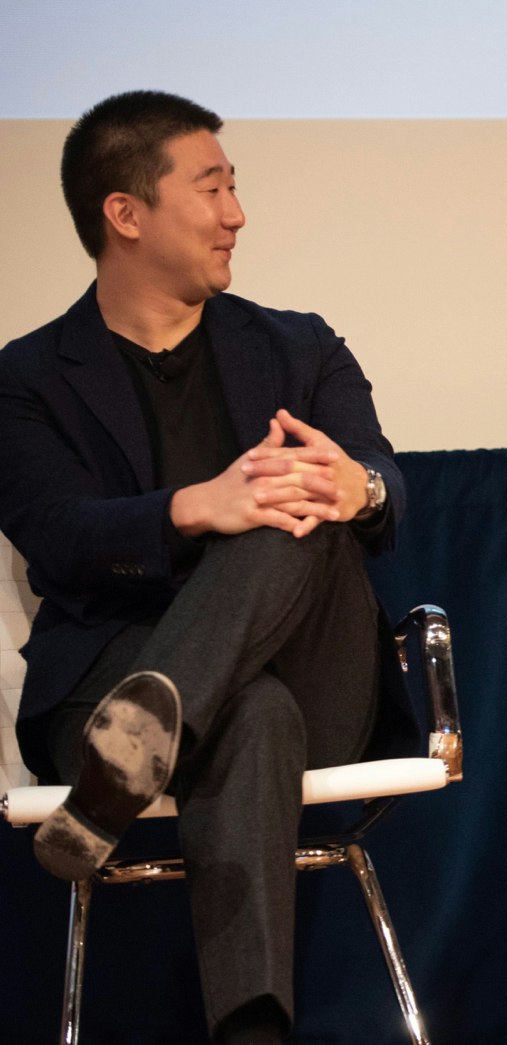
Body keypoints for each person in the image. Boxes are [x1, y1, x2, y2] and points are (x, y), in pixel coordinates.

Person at [0, 90, 410, 1044]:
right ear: (126, 213)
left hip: (321, 679)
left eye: (236, 188)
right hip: (103, 675)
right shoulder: (25, 379)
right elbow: (55, 534)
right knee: (249, 708)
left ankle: (133, 753)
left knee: (293, 498)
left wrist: (361, 489)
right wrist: (195, 507)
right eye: (214, 187)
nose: (236, 214)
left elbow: (389, 483)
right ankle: (253, 1032)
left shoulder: (298, 345)